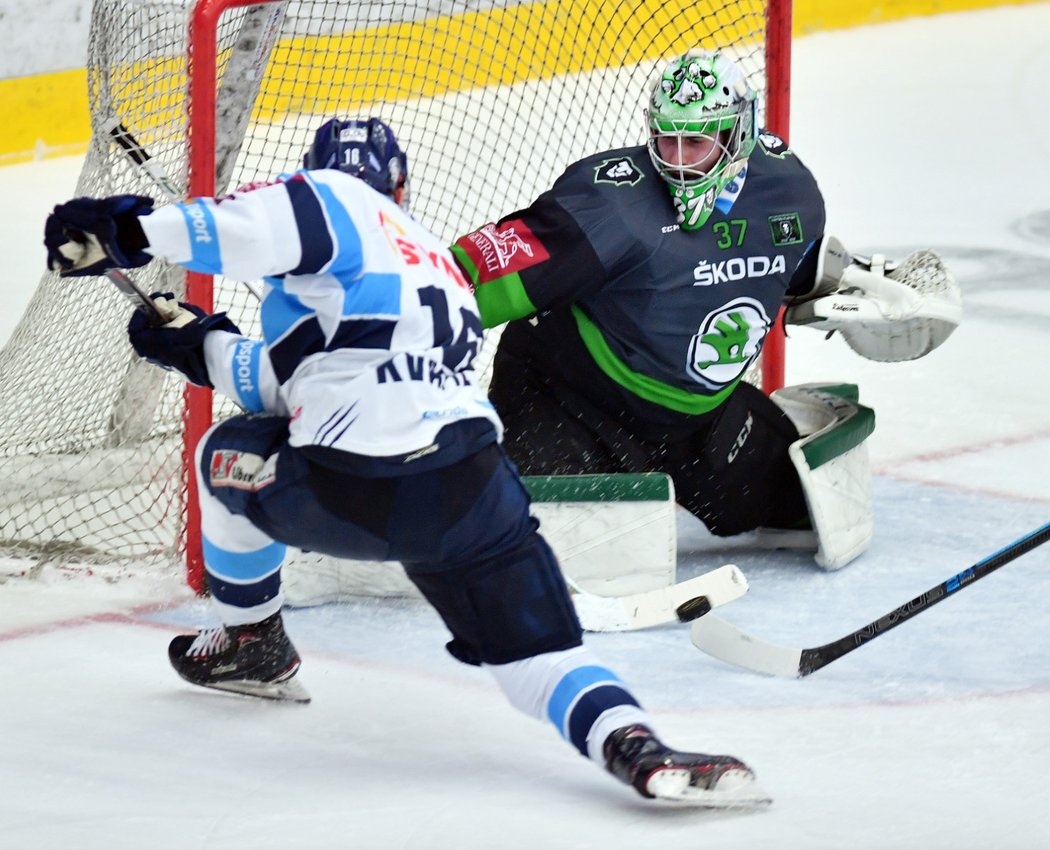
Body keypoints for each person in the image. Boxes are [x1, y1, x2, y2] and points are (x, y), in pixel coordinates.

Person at [43, 116, 769, 807]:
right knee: (535, 659)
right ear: (403, 189)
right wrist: (198, 341)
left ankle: (252, 642)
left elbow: (242, 234)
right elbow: (308, 380)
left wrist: (127, 230)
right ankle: (637, 747)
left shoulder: (334, 201)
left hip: (353, 490)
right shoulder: (433, 269)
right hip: (474, 490)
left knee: (223, 453)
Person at [452, 49, 961, 571]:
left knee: (795, 508)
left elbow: (794, 263)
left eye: (693, 142)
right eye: (664, 139)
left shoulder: (785, 189)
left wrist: (866, 285)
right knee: (551, 551)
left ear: (736, 135)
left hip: (698, 419)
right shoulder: (609, 206)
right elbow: (466, 279)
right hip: (570, 402)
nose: (675, 159)